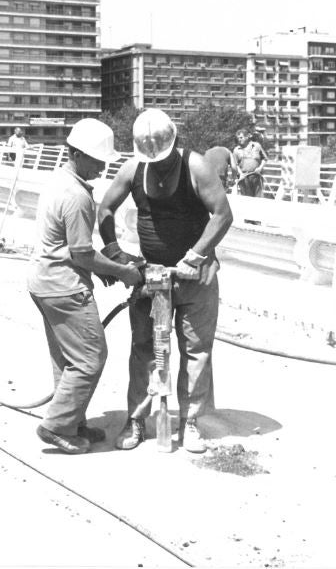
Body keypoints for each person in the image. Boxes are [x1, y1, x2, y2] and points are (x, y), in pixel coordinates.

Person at [98, 108, 233, 453]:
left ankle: (190, 421)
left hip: (195, 276)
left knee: (196, 350)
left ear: (174, 142)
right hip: (151, 274)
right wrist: (114, 252)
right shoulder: (133, 168)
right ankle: (137, 419)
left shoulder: (196, 166)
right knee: (145, 349)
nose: (157, 163)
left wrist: (197, 255)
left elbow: (222, 214)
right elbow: (106, 209)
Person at [27, 118, 143, 455]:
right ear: (76, 153)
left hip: (45, 280)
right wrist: (123, 271)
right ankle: (57, 426)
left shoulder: (59, 182)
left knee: (67, 357)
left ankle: (72, 421)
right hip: (63, 285)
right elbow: (81, 253)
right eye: (96, 159)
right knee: (90, 357)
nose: (102, 166)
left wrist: (107, 267)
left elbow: (74, 249)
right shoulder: (77, 196)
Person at [231, 128, 268, 197]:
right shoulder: (236, 150)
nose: (239, 139)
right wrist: (241, 174)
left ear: (247, 137)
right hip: (244, 178)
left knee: (258, 199)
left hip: (256, 176)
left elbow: (265, 159)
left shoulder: (257, 146)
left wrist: (260, 168)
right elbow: (235, 164)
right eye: (238, 138)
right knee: (246, 199)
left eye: (241, 137)